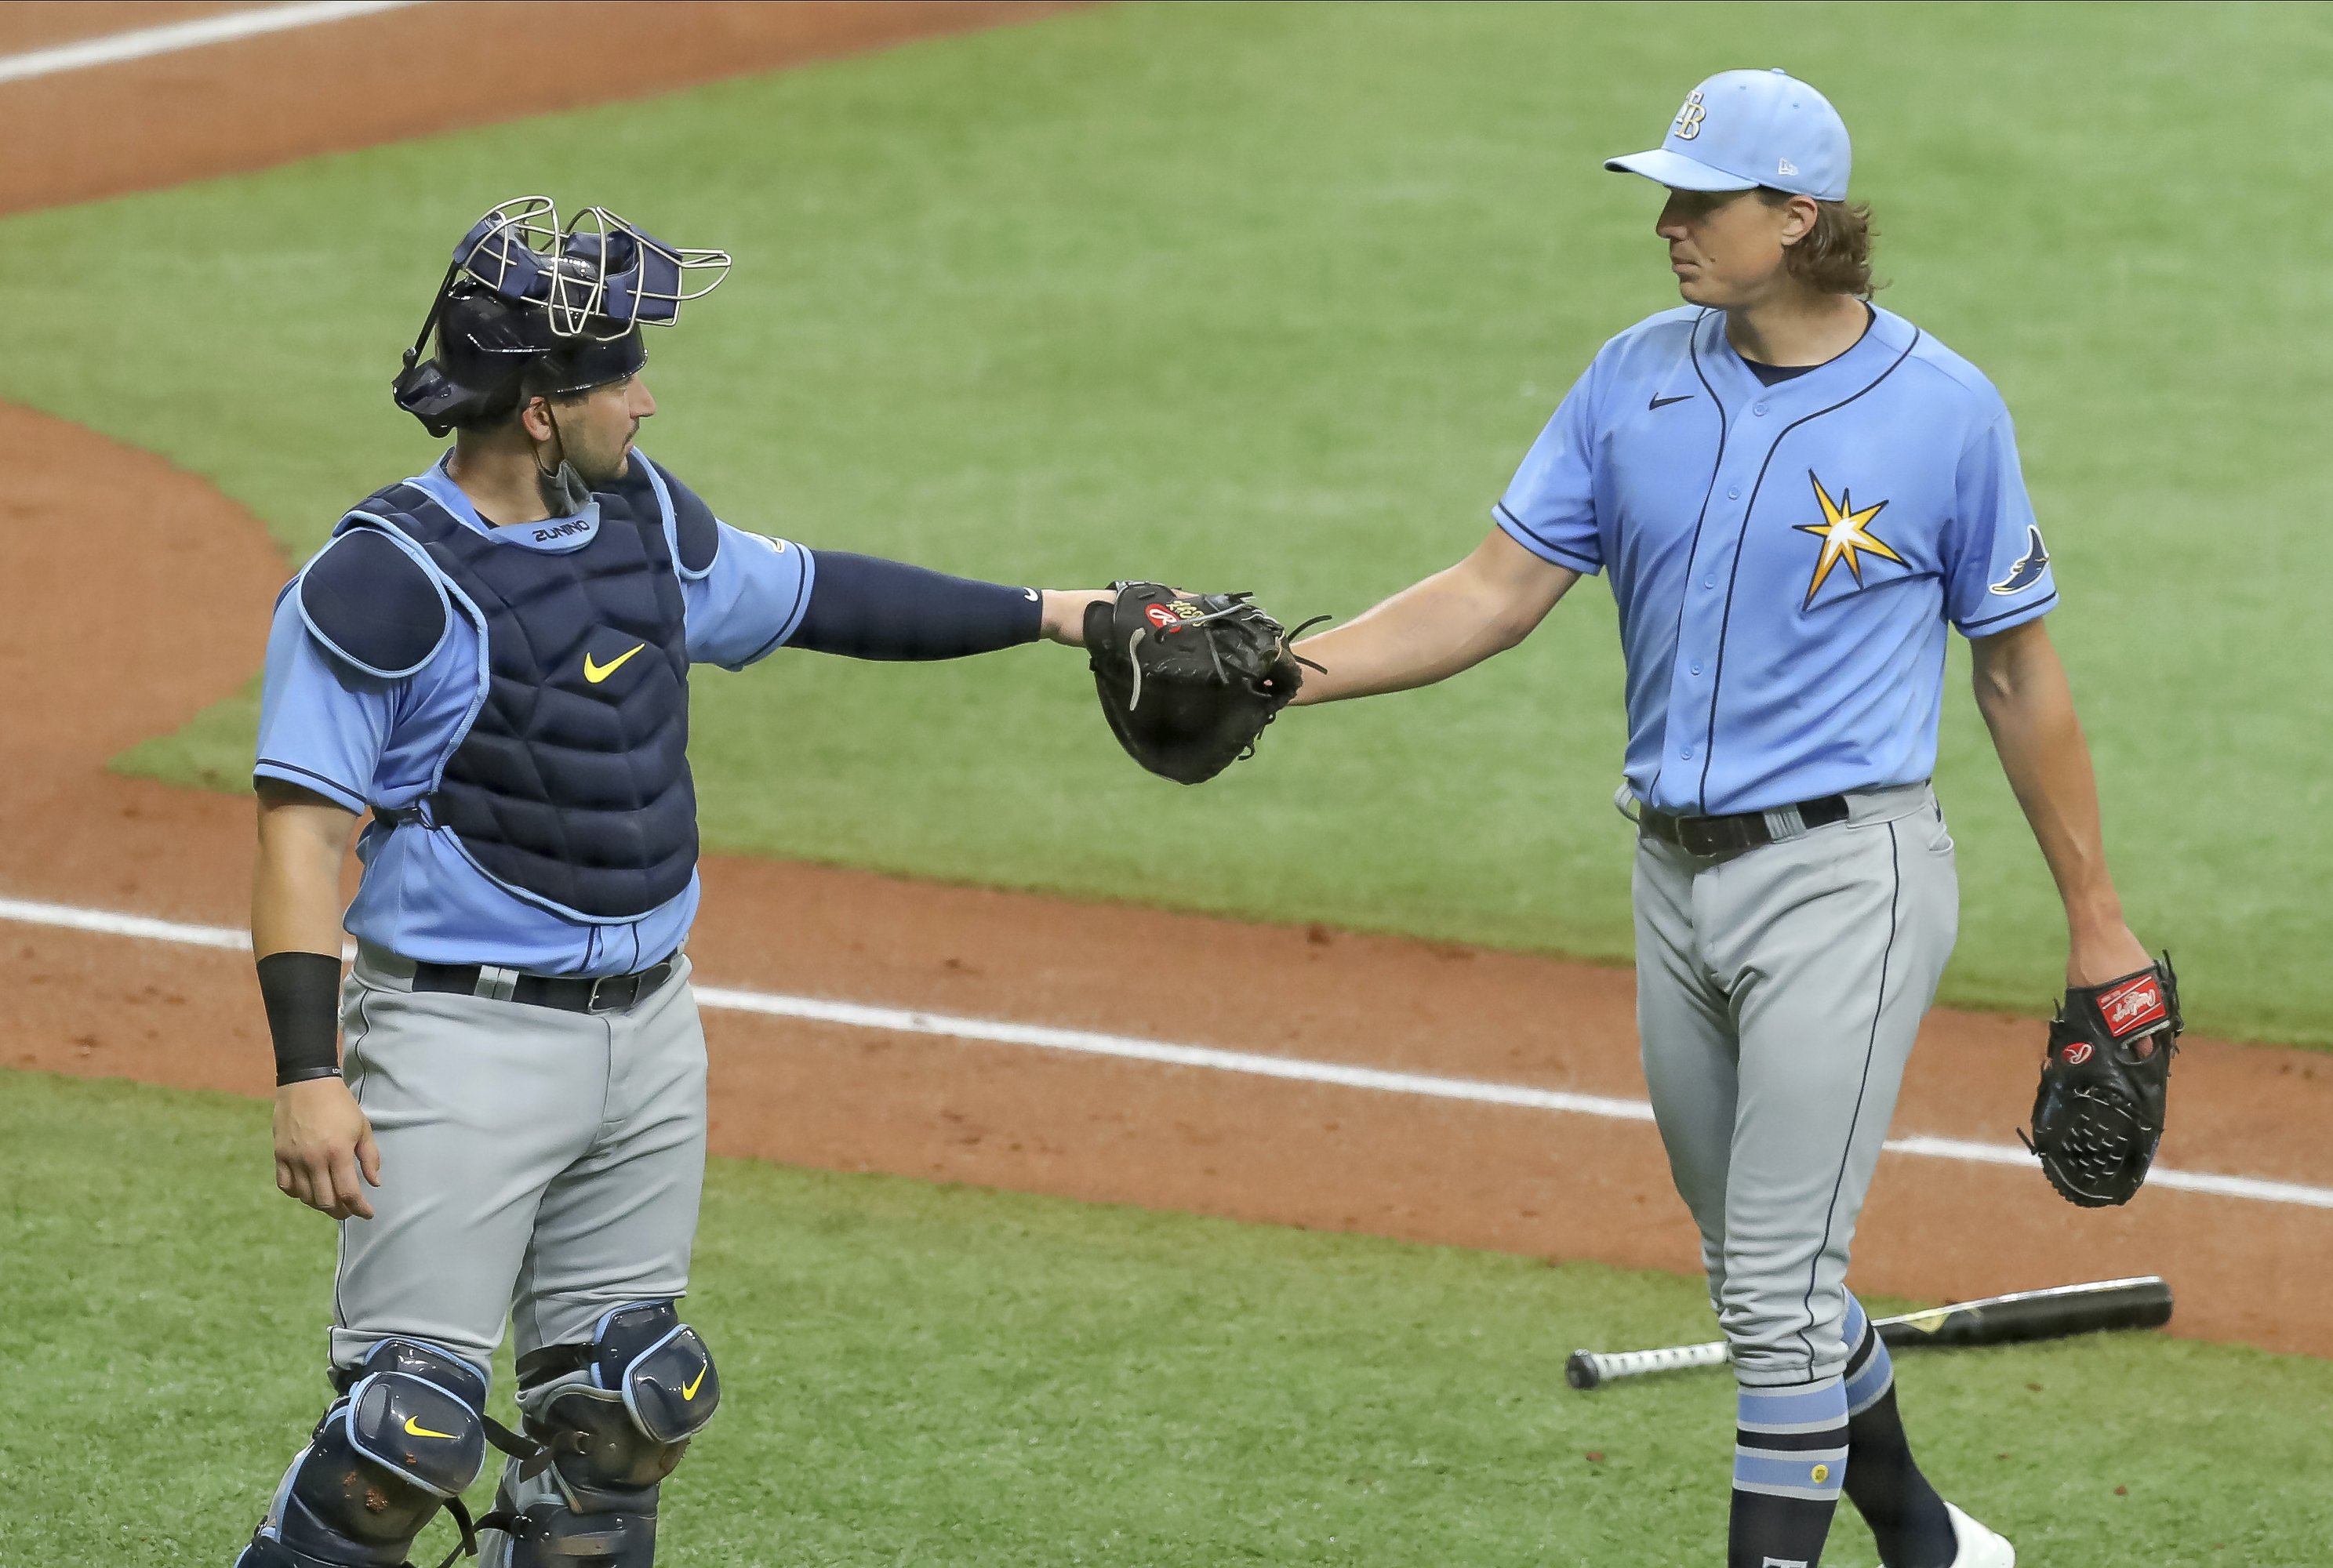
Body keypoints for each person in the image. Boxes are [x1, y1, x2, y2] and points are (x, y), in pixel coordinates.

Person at [1287, 69, 2151, 1568]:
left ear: (1798, 218)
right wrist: (1285, 678)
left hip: (1848, 881)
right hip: (1673, 884)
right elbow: (1494, 592)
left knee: (1768, 1287)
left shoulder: (1944, 411)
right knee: (1771, 1280)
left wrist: (2097, 922)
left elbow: (2017, 674)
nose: (1671, 226)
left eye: (1703, 200)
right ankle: (1930, 1541)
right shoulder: (1634, 377)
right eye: (1667, 196)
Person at [234, 197, 1111, 1568]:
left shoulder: (642, 523)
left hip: (649, 1035)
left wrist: (1062, 611)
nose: (644, 398)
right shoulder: (384, 583)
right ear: (537, 406)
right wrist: (306, 1073)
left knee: (627, 1419)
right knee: (398, 1446)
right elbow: (301, 838)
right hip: (460, 1041)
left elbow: (818, 595)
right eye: (616, 376)